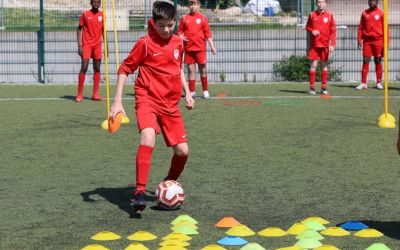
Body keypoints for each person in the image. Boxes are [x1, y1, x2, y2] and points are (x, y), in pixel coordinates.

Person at [109, 1, 195, 212]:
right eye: (162, 25)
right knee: (148, 137)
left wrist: (187, 92)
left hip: (170, 103)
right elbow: (124, 69)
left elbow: (179, 69)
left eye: (170, 24)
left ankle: (167, 185)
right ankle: (139, 192)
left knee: (183, 152)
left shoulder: (178, 43)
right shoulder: (145, 44)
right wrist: (117, 101)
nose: (166, 29)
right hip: (147, 99)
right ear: (153, 23)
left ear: (175, 22)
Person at [177, 0, 217, 99]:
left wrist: (212, 46)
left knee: (202, 69)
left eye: (195, 4)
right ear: (189, 6)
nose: (193, 6)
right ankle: (192, 91)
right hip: (189, 49)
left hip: (200, 49)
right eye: (191, 4)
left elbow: (208, 34)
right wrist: (181, 37)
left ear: (198, 6)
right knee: (191, 70)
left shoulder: (203, 18)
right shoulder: (184, 18)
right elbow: (179, 32)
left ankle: (205, 91)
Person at [75, 0, 104, 102]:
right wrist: (80, 45)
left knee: (97, 68)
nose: (96, 3)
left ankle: (95, 94)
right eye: (94, 2)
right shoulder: (85, 14)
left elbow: (104, 31)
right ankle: (79, 95)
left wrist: (107, 46)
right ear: (91, 3)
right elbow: (79, 29)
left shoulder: (102, 15)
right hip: (86, 45)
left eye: (98, 2)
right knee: (84, 67)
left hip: (97, 45)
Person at [355, 0, 388, 90]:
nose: (371, 2)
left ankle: (378, 82)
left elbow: (386, 29)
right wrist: (359, 40)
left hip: (378, 40)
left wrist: (386, 43)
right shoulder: (364, 13)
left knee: (377, 60)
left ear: (377, 2)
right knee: (365, 60)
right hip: (367, 41)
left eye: (373, 1)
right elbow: (361, 28)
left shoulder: (381, 13)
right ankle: (363, 83)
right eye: (370, 1)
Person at [305, 0, 336, 95]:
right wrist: (312, 30)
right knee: (313, 65)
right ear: (316, 4)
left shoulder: (330, 15)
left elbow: (333, 31)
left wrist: (332, 44)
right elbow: (307, 27)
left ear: (325, 4)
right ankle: (312, 88)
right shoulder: (312, 15)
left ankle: (323, 88)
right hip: (314, 45)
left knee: (324, 66)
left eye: (322, 2)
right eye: (319, 2)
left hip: (325, 45)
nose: (320, 4)